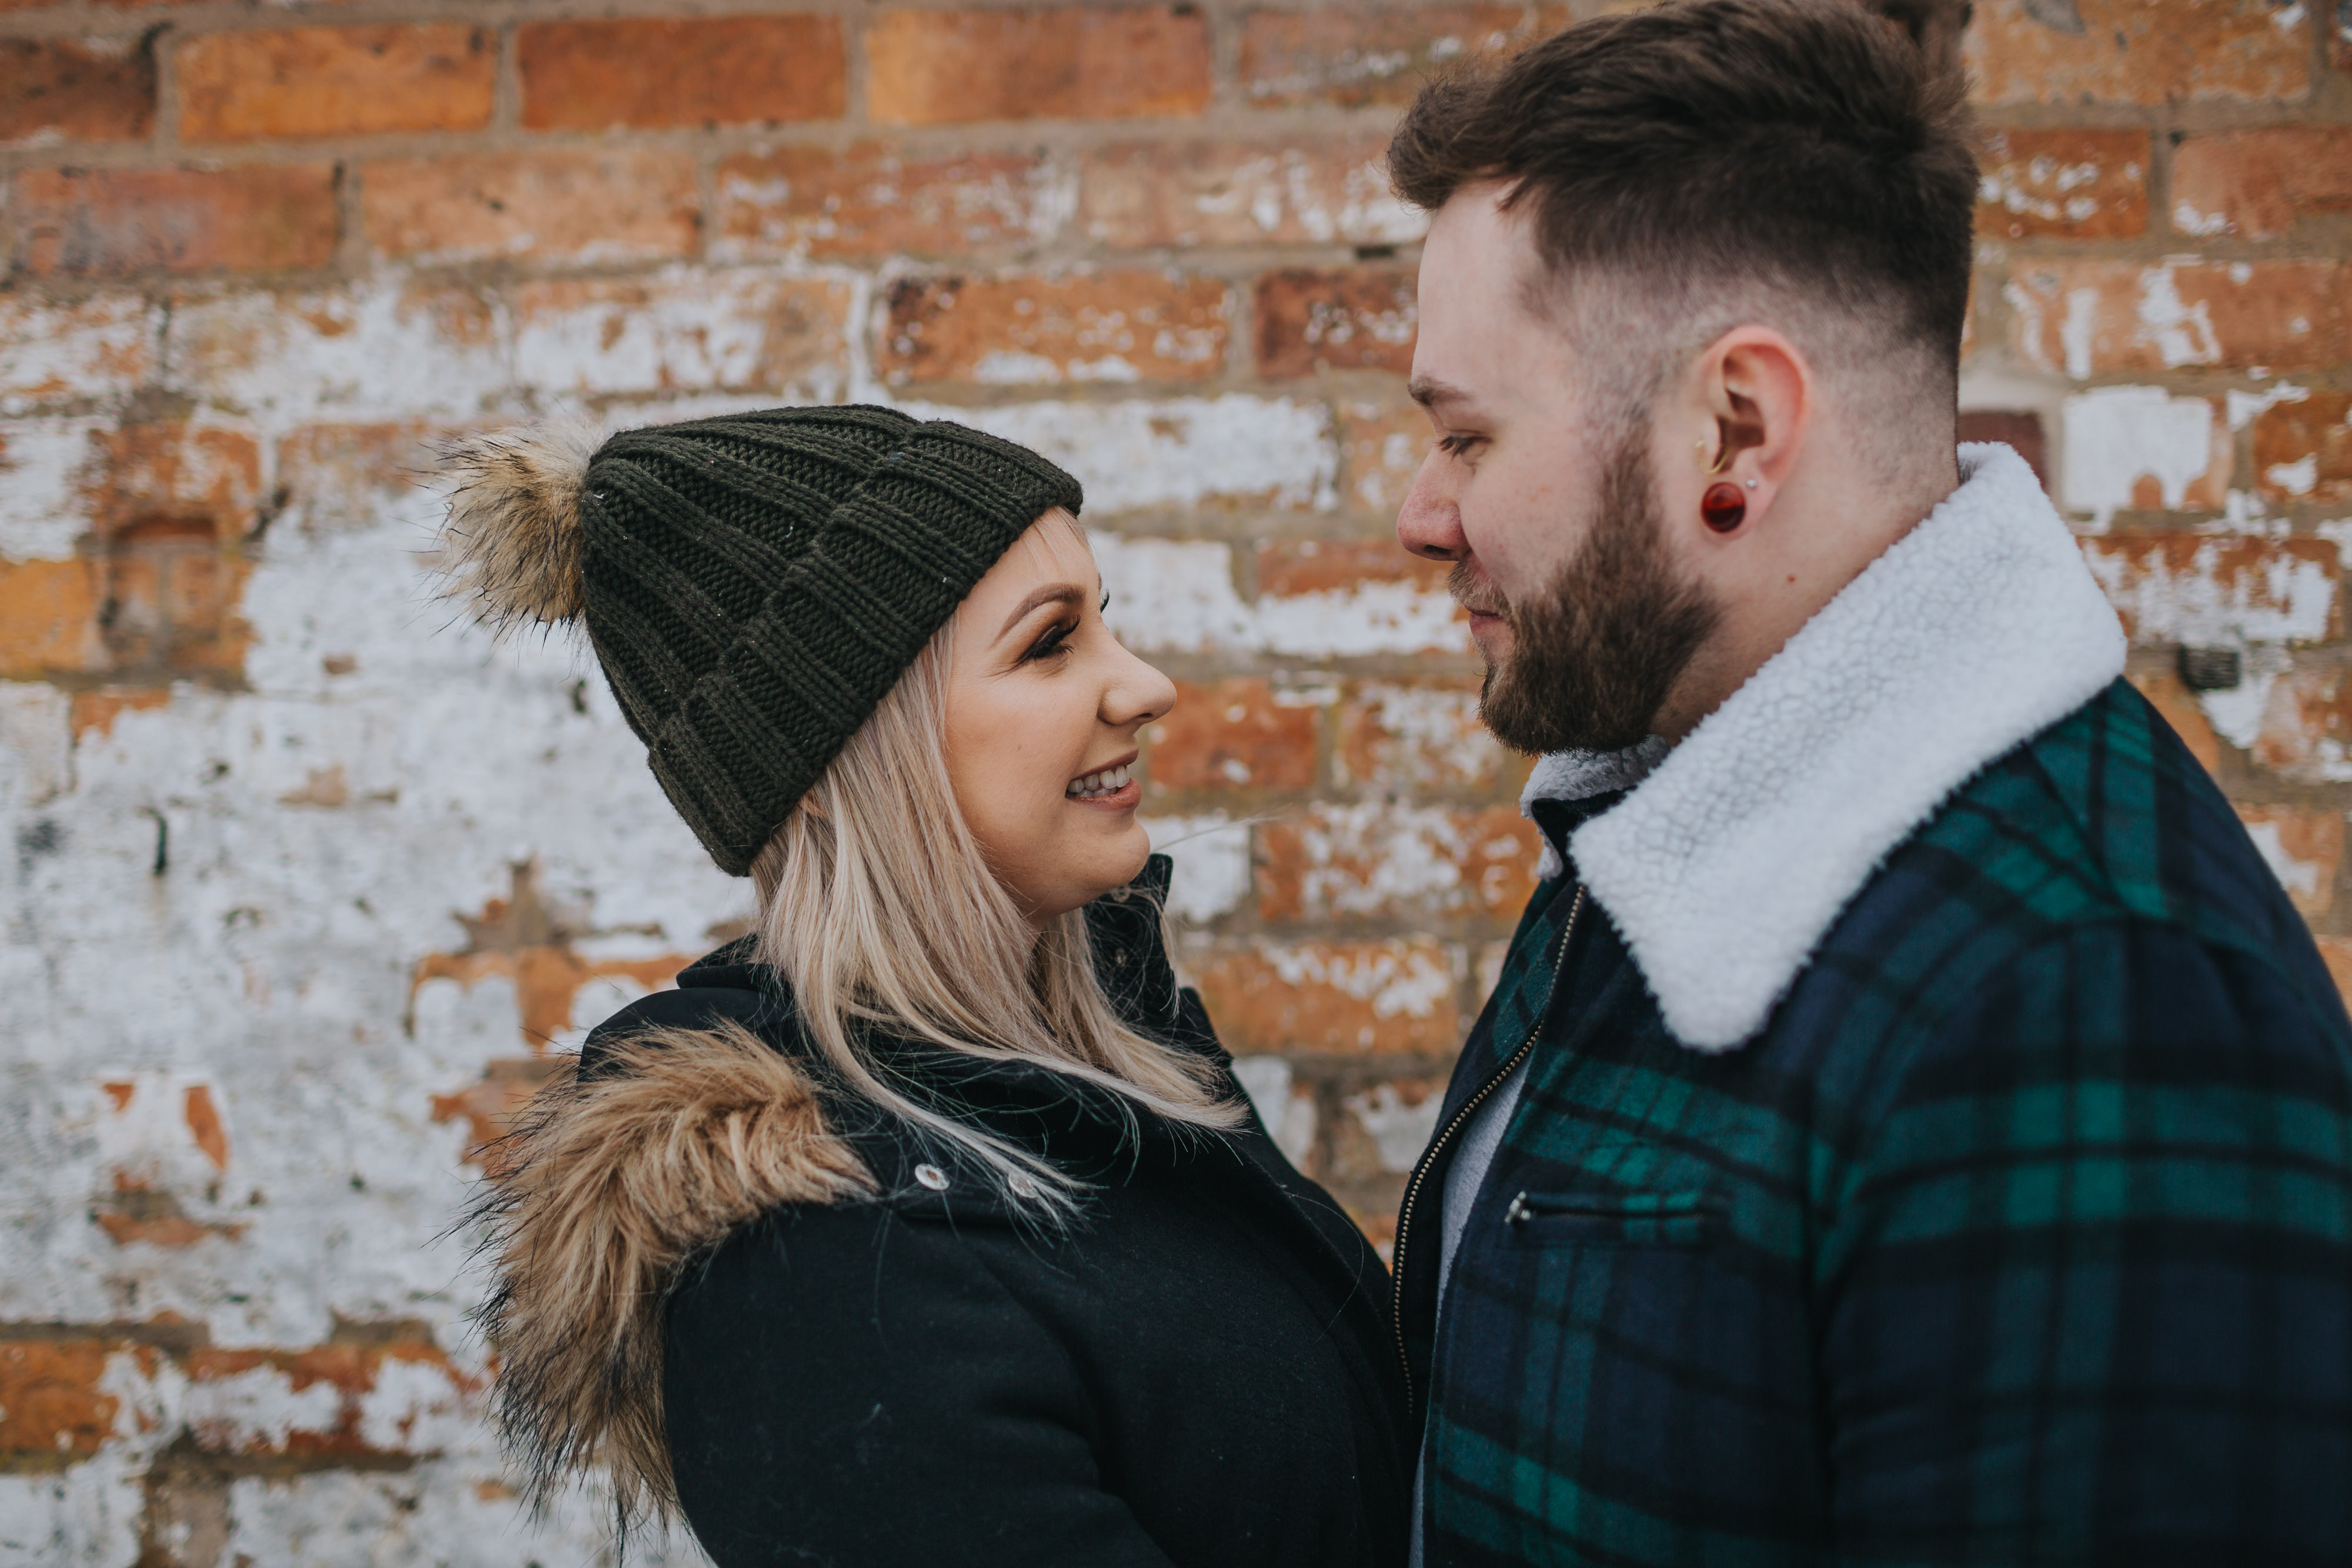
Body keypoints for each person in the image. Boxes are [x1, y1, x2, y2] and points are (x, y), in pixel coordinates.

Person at [1385, 1, 2352, 1563]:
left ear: (1735, 431)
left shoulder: (2093, 999)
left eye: (1466, 436)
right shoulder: (1676, 812)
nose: (1425, 513)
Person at [435, 407, 1408, 1566]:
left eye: (1105, 621)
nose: (1142, 685)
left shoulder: (1096, 1054)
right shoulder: (821, 1275)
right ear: (835, 753)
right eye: (1050, 643)